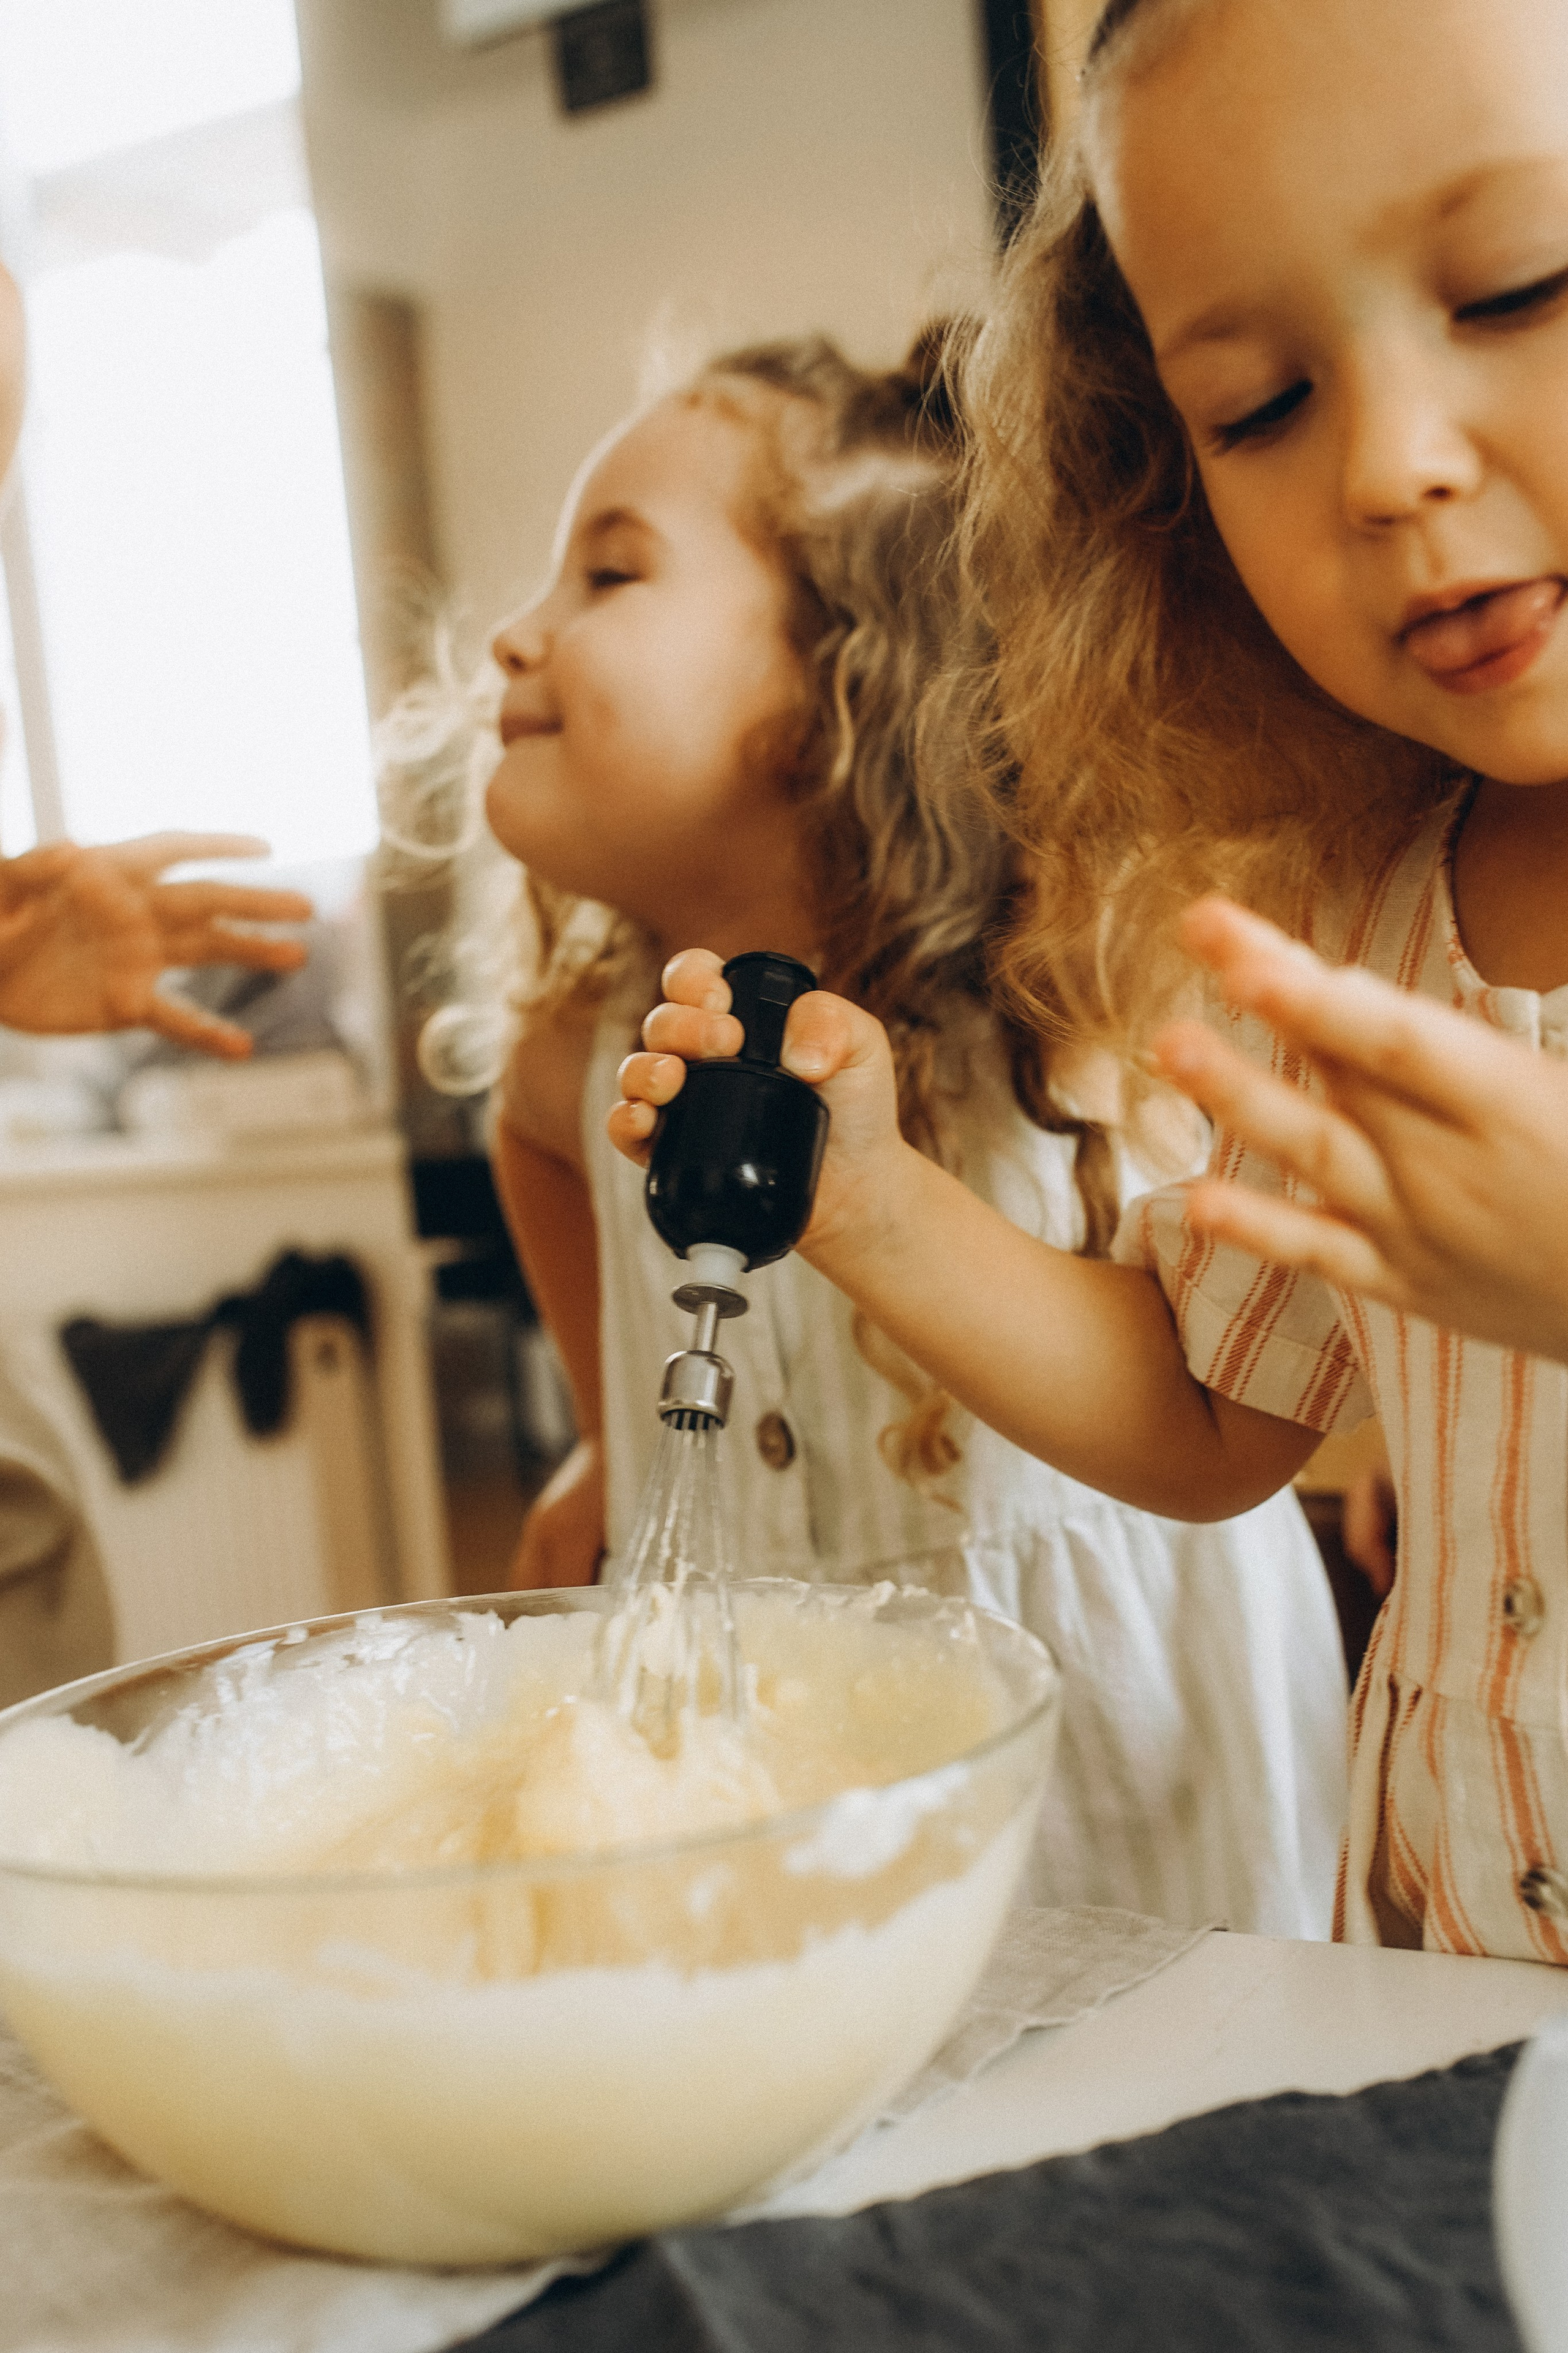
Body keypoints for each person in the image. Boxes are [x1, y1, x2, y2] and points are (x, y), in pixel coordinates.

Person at [615, 0, 1568, 1963]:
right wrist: (869, 1201)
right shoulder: (1368, 919)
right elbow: (1211, 1412)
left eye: (1522, 285)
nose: (1389, 465)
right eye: (1260, 406)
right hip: (1447, 2022)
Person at [476, 328, 1346, 1936]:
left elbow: (1222, 1379)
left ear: (838, 683)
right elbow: (526, 1139)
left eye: (609, 575)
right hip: (793, 1758)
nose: (511, 639)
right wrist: (611, 1426)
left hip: (1124, 1782)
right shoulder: (585, 1050)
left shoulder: (1070, 1021)